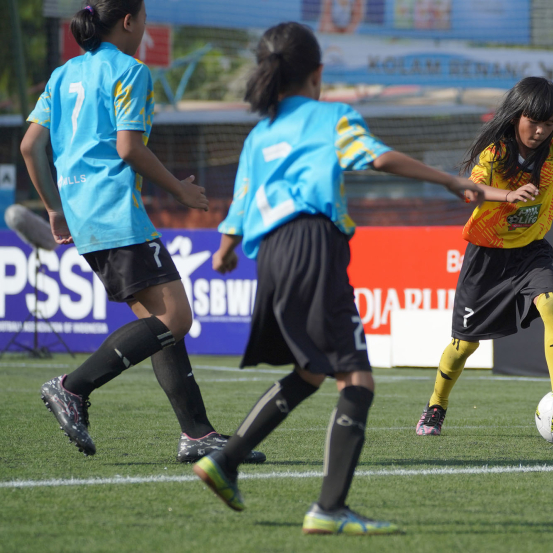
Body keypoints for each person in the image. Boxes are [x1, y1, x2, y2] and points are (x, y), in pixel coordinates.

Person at [192, 22, 484, 536]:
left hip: (273, 258)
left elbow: (240, 201)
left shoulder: (260, 134)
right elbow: (377, 157)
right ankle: (328, 508)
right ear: (317, 74)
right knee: (358, 379)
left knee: (311, 371)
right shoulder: (331, 117)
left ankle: (226, 460)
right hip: (313, 245)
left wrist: (224, 249)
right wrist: (450, 179)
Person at [22, 0, 264, 464]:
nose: (146, 28)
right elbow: (128, 148)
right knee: (177, 319)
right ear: (130, 21)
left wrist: (54, 208)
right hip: (114, 211)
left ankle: (197, 434)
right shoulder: (130, 71)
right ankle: (72, 388)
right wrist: (179, 191)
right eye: (146, 19)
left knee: (160, 325)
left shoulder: (63, 74)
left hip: (82, 213)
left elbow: (30, 145)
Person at [415, 75, 553, 436]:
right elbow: (472, 189)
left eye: (548, 124)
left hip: (531, 252)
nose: (540, 131)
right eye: (533, 122)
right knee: (464, 344)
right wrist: (508, 195)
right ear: (516, 116)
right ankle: (436, 406)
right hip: (487, 258)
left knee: (552, 305)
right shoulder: (496, 154)